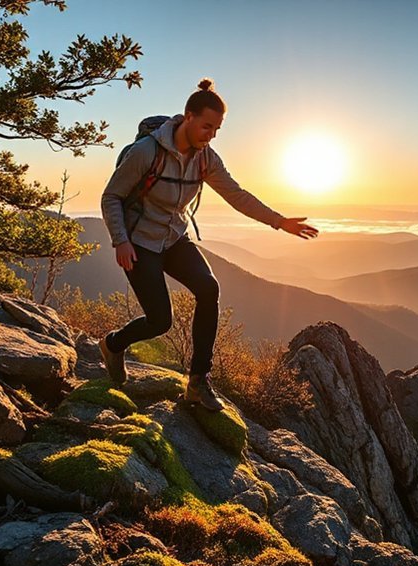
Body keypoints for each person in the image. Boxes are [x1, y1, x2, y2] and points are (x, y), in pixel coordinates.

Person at [99, 78, 318, 411]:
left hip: (174, 236)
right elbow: (111, 196)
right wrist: (120, 241)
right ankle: (113, 345)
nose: (210, 135)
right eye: (206, 127)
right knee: (160, 321)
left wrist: (279, 221)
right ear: (187, 117)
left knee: (208, 288)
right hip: (139, 241)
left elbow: (236, 195)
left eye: (216, 130)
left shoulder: (206, 159)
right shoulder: (147, 152)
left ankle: (198, 382)